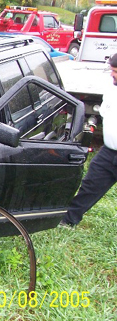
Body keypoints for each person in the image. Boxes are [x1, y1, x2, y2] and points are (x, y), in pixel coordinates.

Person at [60, 53, 117, 227]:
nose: (111, 74)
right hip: (109, 152)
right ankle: (68, 219)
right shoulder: (112, 87)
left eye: (115, 71)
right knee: (91, 184)